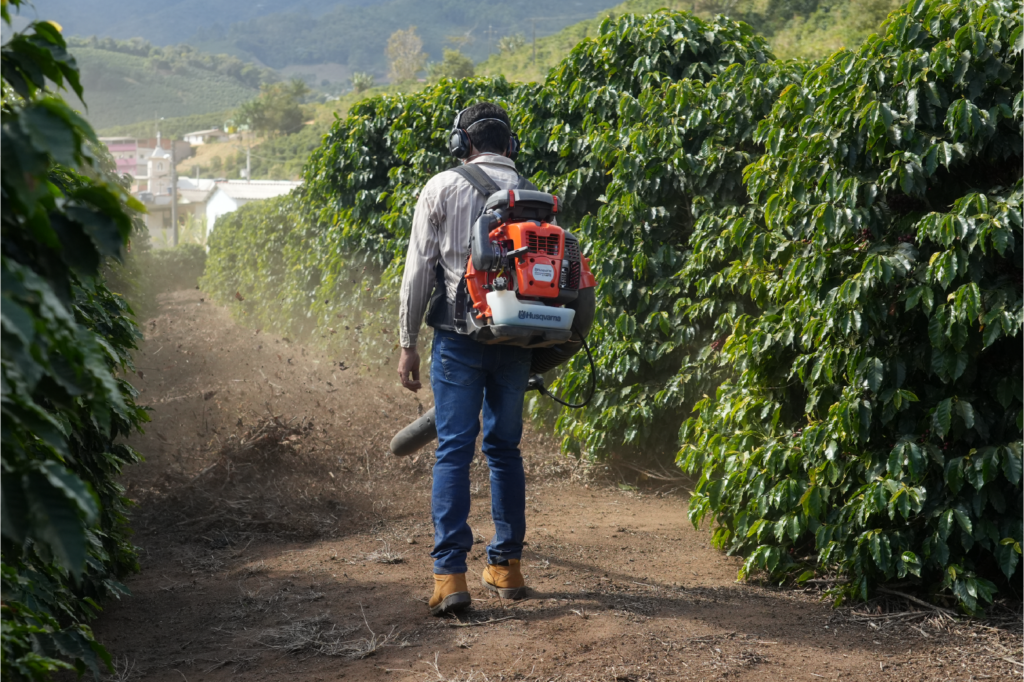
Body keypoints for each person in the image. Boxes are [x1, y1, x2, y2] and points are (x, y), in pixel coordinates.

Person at [397, 102, 532, 616]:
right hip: (518, 339)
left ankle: (450, 577)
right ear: (510, 145)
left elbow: (418, 273)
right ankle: (507, 566)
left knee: (454, 450)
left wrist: (408, 341)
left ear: (463, 144)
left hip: (458, 339)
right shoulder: (532, 196)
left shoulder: (442, 186)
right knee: (505, 449)